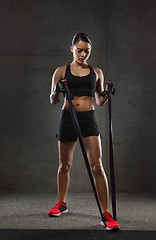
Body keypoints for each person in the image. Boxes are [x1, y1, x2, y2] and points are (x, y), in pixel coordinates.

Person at [48, 33, 120, 230]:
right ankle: (61, 203)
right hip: (67, 118)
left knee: (97, 165)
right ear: (71, 49)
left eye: (87, 51)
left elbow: (99, 101)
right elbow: (52, 100)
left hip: (88, 119)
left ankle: (106, 214)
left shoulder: (96, 72)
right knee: (64, 165)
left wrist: (107, 92)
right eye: (79, 50)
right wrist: (57, 88)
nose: (83, 54)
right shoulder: (61, 71)